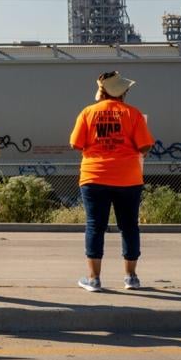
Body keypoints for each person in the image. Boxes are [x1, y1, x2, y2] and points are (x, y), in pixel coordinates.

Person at [70, 71, 154, 292]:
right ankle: (131, 278)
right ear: (122, 92)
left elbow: (75, 144)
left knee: (95, 227)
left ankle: (94, 279)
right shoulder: (133, 114)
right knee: (129, 227)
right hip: (128, 178)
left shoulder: (88, 112)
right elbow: (145, 146)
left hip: (94, 177)